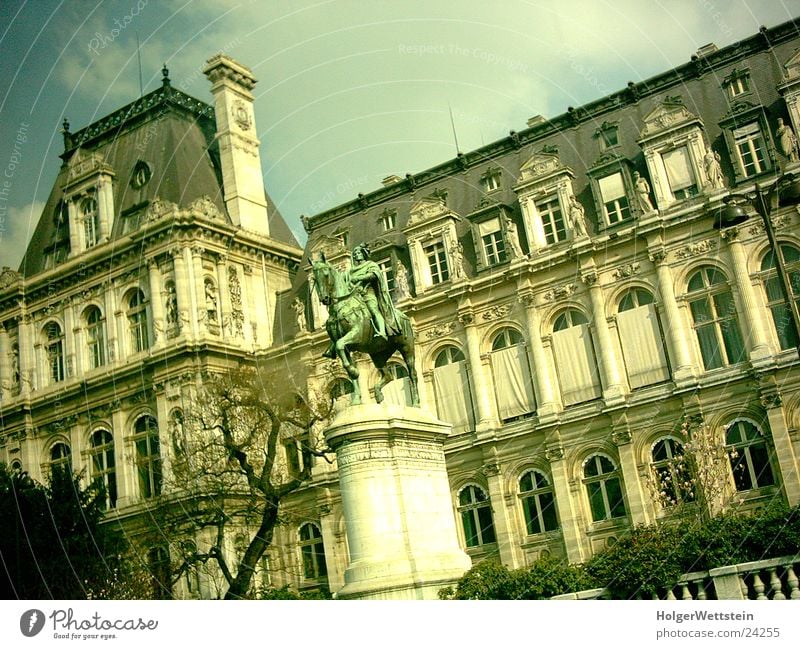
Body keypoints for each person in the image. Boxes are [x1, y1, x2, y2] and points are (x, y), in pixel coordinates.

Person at [347, 244, 400, 339]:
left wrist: (359, 278)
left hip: (368, 293)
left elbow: (374, 275)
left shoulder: (370, 264)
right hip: (355, 296)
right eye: (355, 253)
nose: (356, 255)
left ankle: (382, 332)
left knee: (373, 310)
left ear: (364, 254)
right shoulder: (351, 271)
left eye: (359, 252)